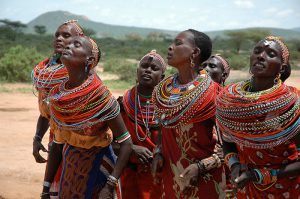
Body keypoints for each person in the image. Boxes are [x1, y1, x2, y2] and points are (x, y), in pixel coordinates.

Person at [41, 35, 132, 198]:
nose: (68, 46)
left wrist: (110, 185)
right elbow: (57, 145)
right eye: (68, 44)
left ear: (89, 60)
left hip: (99, 170)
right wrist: (46, 187)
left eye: (76, 45)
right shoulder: (58, 96)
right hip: (70, 170)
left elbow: (126, 143)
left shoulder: (101, 98)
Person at [216, 36, 300, 198]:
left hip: (283, 189)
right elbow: (228, 140)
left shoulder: (291, 104)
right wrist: (234, 165)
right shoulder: (232, 101)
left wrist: (262, 175)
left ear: (281, 69)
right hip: (245, 186)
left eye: (271, 54)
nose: (261, 56)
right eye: (257, 51)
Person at [152, 29, 225, 199]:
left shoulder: (214, 94)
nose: (170, 47)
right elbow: (163, 127)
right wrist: (158, 152)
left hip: (204, 180)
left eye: (178, 43)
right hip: (171, 176)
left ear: (195, 52)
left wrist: (200, 167)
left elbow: (228, 144)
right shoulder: (165, 90)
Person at [32, 20, 84, 197]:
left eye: (66, 35)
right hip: (56, 143)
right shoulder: (48, 71)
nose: (59, 39)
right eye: (57, 35)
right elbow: (46, 112)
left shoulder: (81, 74)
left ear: (79, 41)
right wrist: (37, 137)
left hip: (80, 145)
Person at [118, 50, 166, 199]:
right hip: (129, 177)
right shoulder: (122, 104)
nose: (148, 70)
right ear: (137, 71)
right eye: (144, 66)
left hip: (160, 178)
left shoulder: (170, 108)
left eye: (154, 68)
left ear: (162, 77)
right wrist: (131, 148)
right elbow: (105, 143)